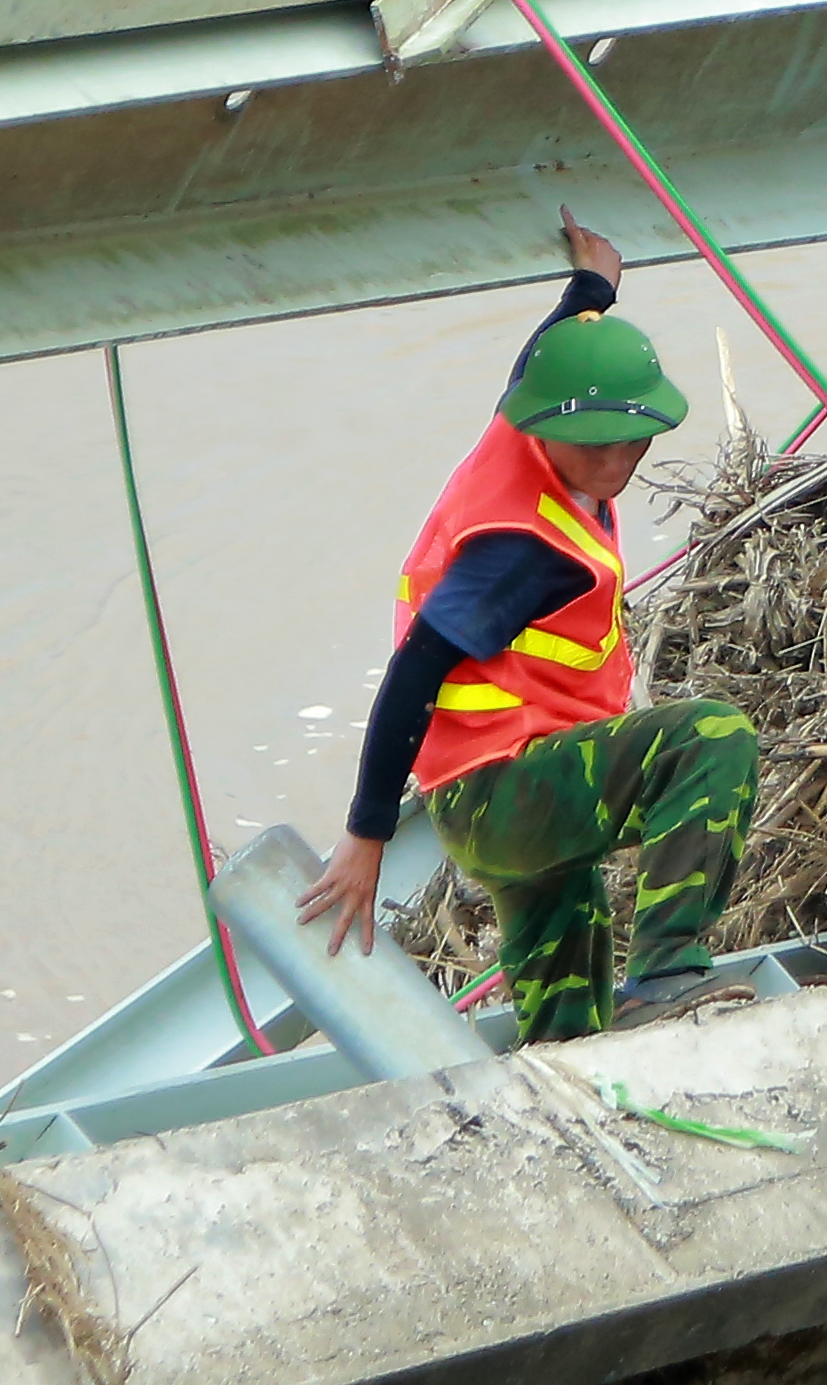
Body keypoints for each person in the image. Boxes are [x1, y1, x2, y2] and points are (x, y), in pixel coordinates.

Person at [301, 220, 761, 1042]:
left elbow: (543, 354)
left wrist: (593, 287)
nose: (618, 461)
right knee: (712, 739)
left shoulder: (518, 424)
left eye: (634, 439)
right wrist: (366, 833)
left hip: (513, 784)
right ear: (551, 428)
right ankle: (666, 972)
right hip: (505, 793)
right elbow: (416, 669)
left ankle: (569, 1086)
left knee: (568, 1016)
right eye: (597, 446)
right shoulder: (521, 550)